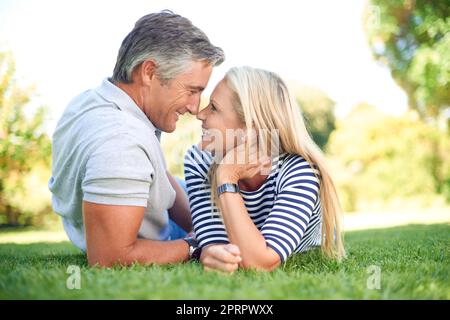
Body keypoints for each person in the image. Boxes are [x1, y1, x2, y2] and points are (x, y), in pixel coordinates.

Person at [48, 10, 224, 267]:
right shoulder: (121, 141)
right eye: (191, 90)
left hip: (151, 208)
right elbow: (110, 256)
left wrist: (204, 228)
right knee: (244, 200)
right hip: (150, 235)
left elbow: (160, 177)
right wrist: (197, 245)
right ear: (149, 72)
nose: (196, 107)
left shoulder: (91, 102)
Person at [184, 66, 346, 272]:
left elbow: (258, 263)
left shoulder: (300, 171)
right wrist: (213, 252)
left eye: (214, 108)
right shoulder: (199, 160)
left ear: (250, 128)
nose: (200, 114)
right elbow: (221, 250)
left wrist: (226, 177)